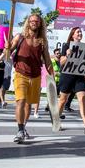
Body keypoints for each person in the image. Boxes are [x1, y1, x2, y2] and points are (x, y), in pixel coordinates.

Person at [11, 13, 53, 143]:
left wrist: (52, 75)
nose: (34, 23)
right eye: (32, 21)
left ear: (40, 24)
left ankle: (24, 127)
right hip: (20, 74)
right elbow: (8, 50)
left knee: (28, 104)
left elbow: (47, 59)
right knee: (21, 101)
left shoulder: (42, 41)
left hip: (35, 76)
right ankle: (20, 130)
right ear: (28, 23)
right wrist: (7, 47)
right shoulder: (20, 37)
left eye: (37, 21)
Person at [56, 27, 85, 135]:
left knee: (82, 98)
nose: (80, 33)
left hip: (79, 76)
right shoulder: (67, 45)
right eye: (77, 32)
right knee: (62, 100)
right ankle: (56, 121)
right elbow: (62, 62)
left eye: (81, 32)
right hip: (67, 76)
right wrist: (68, 55)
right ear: (73, 35)